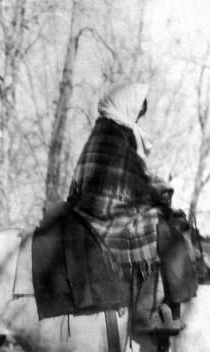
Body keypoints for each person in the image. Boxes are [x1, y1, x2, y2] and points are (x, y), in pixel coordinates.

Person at [66, 82, 197, 335]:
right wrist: (155, 194)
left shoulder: (108, 133)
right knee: (160, 228)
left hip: (96, 207)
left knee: (163, 218)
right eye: (137, 111)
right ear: (126, 108)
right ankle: (145, 314)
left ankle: (165, 303)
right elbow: (125, 184)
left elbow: (128, 178)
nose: (138, 117)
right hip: (102, 213)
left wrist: (152, 187)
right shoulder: (114, 137)